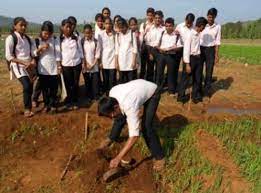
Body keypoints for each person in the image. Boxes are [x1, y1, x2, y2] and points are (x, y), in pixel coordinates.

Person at [98, 79, 165, 171]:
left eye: (111, 115)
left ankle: (160, 157)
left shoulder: (129, 106)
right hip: (138, 89)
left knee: (146, 127)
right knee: (119, 117)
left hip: (152, 92)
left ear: (116, 107)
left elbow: (134, 136)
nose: (111, 118)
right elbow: (117, 116)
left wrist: (118, 157)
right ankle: (111, 138)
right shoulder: (112, 93)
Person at [5, 17, 36, 117]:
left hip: (29, 66)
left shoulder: (28, 39)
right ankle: (27, 109)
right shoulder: (11, 38)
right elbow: (9, 56)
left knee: (30, 87)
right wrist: (22, 62)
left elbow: (32, 53)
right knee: (26, 85)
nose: (23, 27)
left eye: (25, 25)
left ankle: (29, 106)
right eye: (21, 25)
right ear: (15, 26)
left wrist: (33, 60)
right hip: (18, 66)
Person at [177, 17, 208, 103]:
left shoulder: (198, 34)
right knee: (185, 79)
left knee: (197, 78)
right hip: (190, 59)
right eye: (204, 26)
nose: (204, 28)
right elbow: (186, 50)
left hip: (198, 58)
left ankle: (196, 97)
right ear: (201, 26)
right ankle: (181, 97)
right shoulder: (190, 35)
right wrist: (187, 64)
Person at [34, 21, 61, 113]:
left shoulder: (54, 39)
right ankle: (46, 104)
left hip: (53, 68)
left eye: (49, 33)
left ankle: (53, 104)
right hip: (42, 68)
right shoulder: (37, 40)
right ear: (41, 31)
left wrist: (58, 67)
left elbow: (57, 54)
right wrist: (40, 48)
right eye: (45, 33)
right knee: (45, 89)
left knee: (54, 88)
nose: (47, 35)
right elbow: (33, 53)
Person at [60, 19, 84, 110]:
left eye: (70, 27)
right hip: (66, 64)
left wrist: (82, 62)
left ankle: (75, 100)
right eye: (66, 27)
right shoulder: (60, 39)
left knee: (75, 82)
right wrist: (59, 65)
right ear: (62, 28)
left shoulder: (76, 38)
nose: (69, 29)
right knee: (68, 83)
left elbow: (80, 50)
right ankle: (69, 100)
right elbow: (59, 53)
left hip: (76, 64)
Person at [200, 8, 221, 97]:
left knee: (209, 71)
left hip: (211, 50)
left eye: (212, 17)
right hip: (200, 49)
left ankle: (207, 91)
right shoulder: (202, 24)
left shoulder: (218, 26)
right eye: (209, 17)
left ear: (215, 17)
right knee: (199, 70)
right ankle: (198, 90)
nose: (210, 19)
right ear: (207, 16)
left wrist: (216, 55)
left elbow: (217, 41)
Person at [156, 17, 180, 95]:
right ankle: (158, 89)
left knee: (171, 73)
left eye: (170, 26)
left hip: (171, 56)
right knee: (159, 73)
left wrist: (170, 49)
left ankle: (171, 90)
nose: (168, 28)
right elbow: (157, 44)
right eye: (166, 26)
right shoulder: (162, 33)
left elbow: (178, 46)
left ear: (173, 26)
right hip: (161, 55)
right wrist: (159, 49)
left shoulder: (177, 35)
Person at [82, 24, 101, 101]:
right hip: (85, 65)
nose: (88, 34)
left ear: (92, 32)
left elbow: (97, 54)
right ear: (84, 33)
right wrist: (86, 63)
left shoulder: (96, 41)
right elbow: (82, 53)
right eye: (86, 33)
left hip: (95, 65)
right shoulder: (82, 41)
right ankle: (89, 96)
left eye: (89, 32)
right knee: (87, 81)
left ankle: (95, 96)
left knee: (95, 82)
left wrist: (93, 64)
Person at [115, 18, 138, 83]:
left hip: (130, 62)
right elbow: (116, 50)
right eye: (119, 28)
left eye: (122, 27)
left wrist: (134, 61)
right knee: (122, 80)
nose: (121, 29)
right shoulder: (118, 35)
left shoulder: (131, 34)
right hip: (121, 62)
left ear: (126, 26)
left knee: (131, 81)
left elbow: (135, 49)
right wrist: (116, 63)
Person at [145, 10, 165, 82]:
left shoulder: (164, 29)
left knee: (159, 71)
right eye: (156, 18)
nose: (157, 19)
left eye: (159, 18)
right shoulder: (149, 28)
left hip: (160, 52)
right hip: (151, 50)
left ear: (162, 18)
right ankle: (149, 85)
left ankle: (157, 87)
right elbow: (147, 42)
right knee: (150, 69)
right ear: (154, 18)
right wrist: (150, 53)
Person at [99, 17, 117, 95]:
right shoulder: (101, 35)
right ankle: (107, 94)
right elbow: (99, 49)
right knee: (105, 80)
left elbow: (117, 48)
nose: (108, 25)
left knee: (112, 79)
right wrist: (100, 62)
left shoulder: (115, 34)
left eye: (110, 23)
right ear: (103, 24)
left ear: (112, 24)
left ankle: (112, 95)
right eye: (106, 23)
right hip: (104, 61)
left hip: (113, 60)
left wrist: (117, 62)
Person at [139, 8, 155, 79]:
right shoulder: (143, 24)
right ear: (146, 15)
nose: (150, 17)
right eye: (148, 15)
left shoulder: (156, 25)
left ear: (153, 15)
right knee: (143, 65)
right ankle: (141, 80)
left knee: (150, 65)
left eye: (151, 15)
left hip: (152, 47)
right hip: (144, 46)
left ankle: (149, 80)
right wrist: (145, 31)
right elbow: (140, 36)